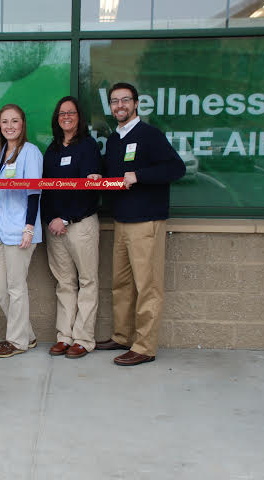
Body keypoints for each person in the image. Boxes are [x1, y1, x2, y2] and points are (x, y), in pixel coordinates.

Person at [97, 82, 185, 366]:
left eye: (125, 100)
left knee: (148, 286)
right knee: (121, 285)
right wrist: (99, 177)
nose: (119, 105)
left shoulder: (150, 135)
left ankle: (145, 347)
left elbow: (176, 168)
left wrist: (140, 175)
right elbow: (115, 174)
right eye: (114, 101)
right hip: (121, 221)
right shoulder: (114, 139)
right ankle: (122, 337)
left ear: (135, 104)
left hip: (146, 222)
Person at [43, 96, 103, 359]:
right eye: (62, 113)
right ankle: (64, 337)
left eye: (71, 113)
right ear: (57, 118)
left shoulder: (88, 147)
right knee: (64, 283)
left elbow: (88, 190)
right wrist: (51, 219)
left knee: (87, 281)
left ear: (79, 117)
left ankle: (83, 339)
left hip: (80, 225)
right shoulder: (52, 149)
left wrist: (65, 218)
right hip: (55, 228)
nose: (66, 117)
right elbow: (44, 189)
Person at [0, 104, 43, 358]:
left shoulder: (30, 152)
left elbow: (34, 192)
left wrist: (29, 228)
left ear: (23, 124)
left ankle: (17, 341)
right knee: (0, 288)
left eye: (15, 121)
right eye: (5, 121)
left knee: (16, 287)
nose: (9, 126)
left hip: (20, 228)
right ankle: (27, 335)